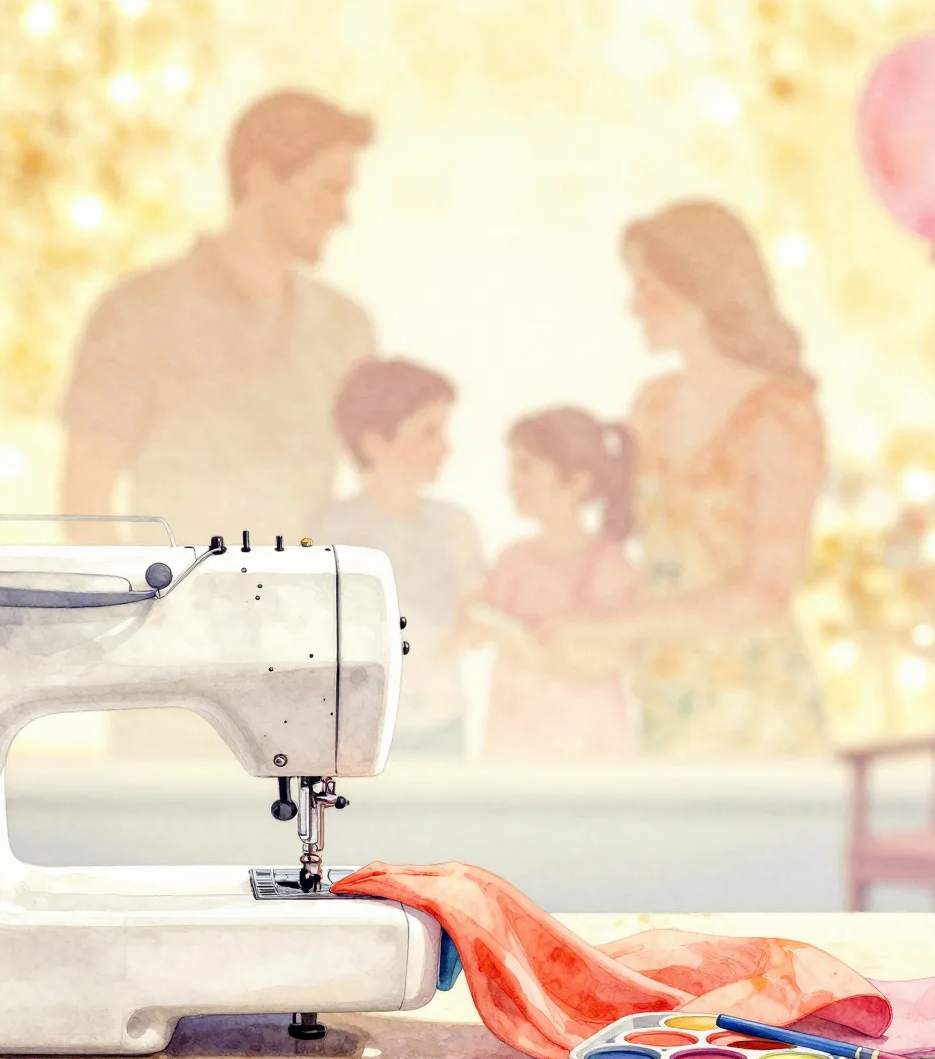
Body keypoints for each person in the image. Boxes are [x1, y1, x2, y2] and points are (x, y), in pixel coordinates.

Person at [545, 201, 828, 757]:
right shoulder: (651, 405)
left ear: (703, 288)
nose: (633, 306)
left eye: (648, 287)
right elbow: (630, 540)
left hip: (754, 699)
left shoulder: (781, 415)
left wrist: (616, 626)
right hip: (665, 690)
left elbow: (767, 592)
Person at [59, 90, 378, 548]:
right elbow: (84, 502)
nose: (342, 216)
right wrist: (150, 594)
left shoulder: (345, 329)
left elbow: (382, 495)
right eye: (328, 189)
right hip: (180, 589)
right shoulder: (139, 314)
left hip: (305, 592)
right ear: (262, 178)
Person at [314, 359, 483, 758]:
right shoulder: (331, 532)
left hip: (442, 723)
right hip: (356, 729)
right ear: (375, 443)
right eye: (429, 431)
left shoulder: (455, 525)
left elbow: (475, 616)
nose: (446, 446)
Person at [462, 407, 643, 761]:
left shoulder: (609, 566)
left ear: (576, 481)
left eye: (525, 468)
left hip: (587, 744)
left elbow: (613, 657)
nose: (511, 482)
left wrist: (528, 647)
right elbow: (476, 631)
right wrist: (470, 620)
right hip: (515, 739)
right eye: (513, 468)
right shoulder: (513, 559)